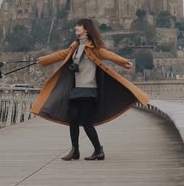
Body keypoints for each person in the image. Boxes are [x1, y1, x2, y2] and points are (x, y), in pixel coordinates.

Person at [30, 18, 149, 161]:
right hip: (77, 89)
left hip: (89, 89)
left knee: (86, 122)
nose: (76, 27)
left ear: (86, 29)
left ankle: (98, 150)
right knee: (73, 119)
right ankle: (75, 151)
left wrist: (124, 62)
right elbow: (62, 54)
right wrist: (43, 60)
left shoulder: (94, 48)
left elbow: (107, 54)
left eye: (79, 26)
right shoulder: (75, 46)